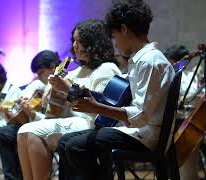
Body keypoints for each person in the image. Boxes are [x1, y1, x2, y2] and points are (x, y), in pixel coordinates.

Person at [56, 0, 175, 179]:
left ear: (124, 29)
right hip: (137, 130)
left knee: (76, 146)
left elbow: (140, 116)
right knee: (65, 141)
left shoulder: (150, 61)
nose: (115, 43)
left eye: (114, 36)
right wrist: (93, 98)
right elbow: (128, 101)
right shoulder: (141, 59)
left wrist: (96, 108)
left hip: (146, 136)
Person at [17, 19, 121, 180]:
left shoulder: (107, 68)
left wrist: (64, 87)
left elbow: (101, 110)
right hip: (75, 121)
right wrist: (50, 86)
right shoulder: (80, 70)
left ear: (93, 42)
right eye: (73, 41)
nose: (74, 45)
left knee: (33, 132)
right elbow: (58, 81)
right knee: (23, 131)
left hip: (91, 123)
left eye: (79, 41)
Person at [0, 50, 60, 180]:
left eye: (41, 73)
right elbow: (25, 101)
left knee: (21, 133)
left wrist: (31, 113)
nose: (38, 77)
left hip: (50, 127)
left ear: (53, 68)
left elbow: (53, 120)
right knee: (3, 132)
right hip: (32, 123)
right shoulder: (39, 85)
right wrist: (20, 104)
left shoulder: (59, 87)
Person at [165, 44, 200, 180]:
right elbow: (177, 67)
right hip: (175, 123)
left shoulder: (192, 76)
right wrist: (190, 56)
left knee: (190, 168)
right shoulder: (172, 72)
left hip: (190, 124)